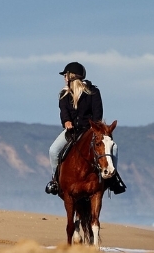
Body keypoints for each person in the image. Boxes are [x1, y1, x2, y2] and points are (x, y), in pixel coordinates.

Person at [45, 60, 125, 195]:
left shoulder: (93, 92)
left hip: (91, 131)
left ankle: (112, 179)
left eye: (65, 75)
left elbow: (98, 114)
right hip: (72, 132)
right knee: (53, 151)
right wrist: (66, 122)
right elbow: (64, 112)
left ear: (71, 76)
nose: (64, 78)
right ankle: (55, 181)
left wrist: (94, 129)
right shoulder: (64, 94)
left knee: (114, 148)